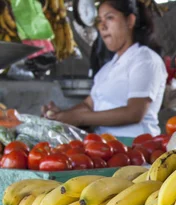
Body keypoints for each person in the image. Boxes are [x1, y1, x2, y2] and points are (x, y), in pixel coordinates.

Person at [42, 0, 167, 137]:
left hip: (135, 147)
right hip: (104, 145)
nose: (102, 26)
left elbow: (134, 113)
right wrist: (61, 116)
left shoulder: (145, 59)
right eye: (99, 20)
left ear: (130, 21)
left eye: (109, 18)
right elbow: (88, 105)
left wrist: (79, 118)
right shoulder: (108, 68)